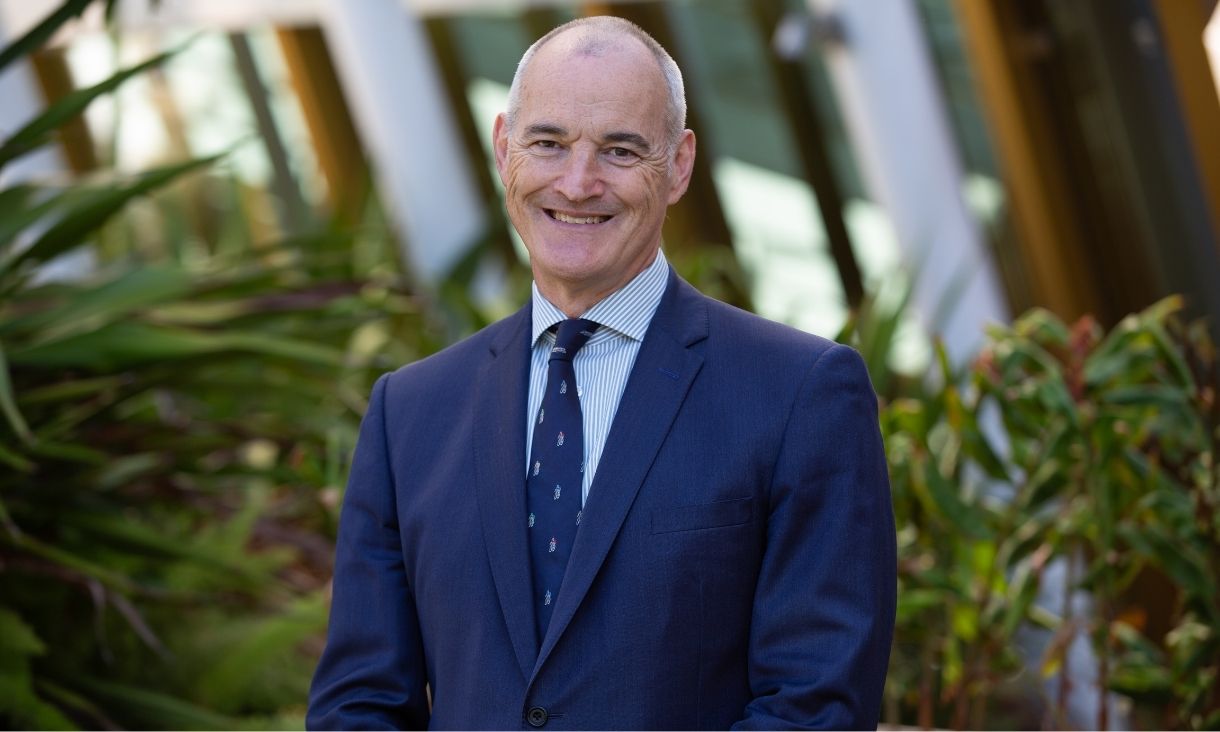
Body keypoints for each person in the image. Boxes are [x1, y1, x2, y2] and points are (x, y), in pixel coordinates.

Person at [307, 15, 895, 731]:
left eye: (620, 150)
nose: (578, 183)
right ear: (503, 150)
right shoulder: (409, 413)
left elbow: (815, 706)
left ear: (678, 166)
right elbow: (358, 705)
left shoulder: (801, 394)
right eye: (548, 143)